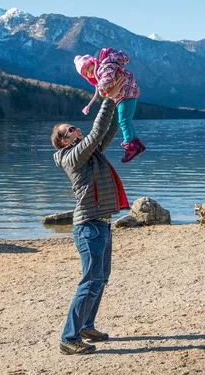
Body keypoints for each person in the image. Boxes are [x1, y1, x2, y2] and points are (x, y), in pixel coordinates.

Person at [51, 76, 129, 355]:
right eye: (70, 129)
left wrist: (121, 103)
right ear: (64, 141)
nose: (76, 129)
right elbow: (96, 133)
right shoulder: (72, 157)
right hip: (88, 227)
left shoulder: (89, 154)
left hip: (102, 225)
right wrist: (107, 98)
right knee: (90, 280)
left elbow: (105, 133)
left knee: (101, 278)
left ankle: (86, 325)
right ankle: (68, 338)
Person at [74, 48, 146, 163]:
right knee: (126, 120)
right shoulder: (102, 70)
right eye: (86, 73)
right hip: (127, 92)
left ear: (93, 62)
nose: (89, 72)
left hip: (126, 92)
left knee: (123, 121)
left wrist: (103, 91)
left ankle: (130, 146)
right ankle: (136, 144)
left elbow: (108, 79)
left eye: (88, 67)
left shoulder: (104, 67)